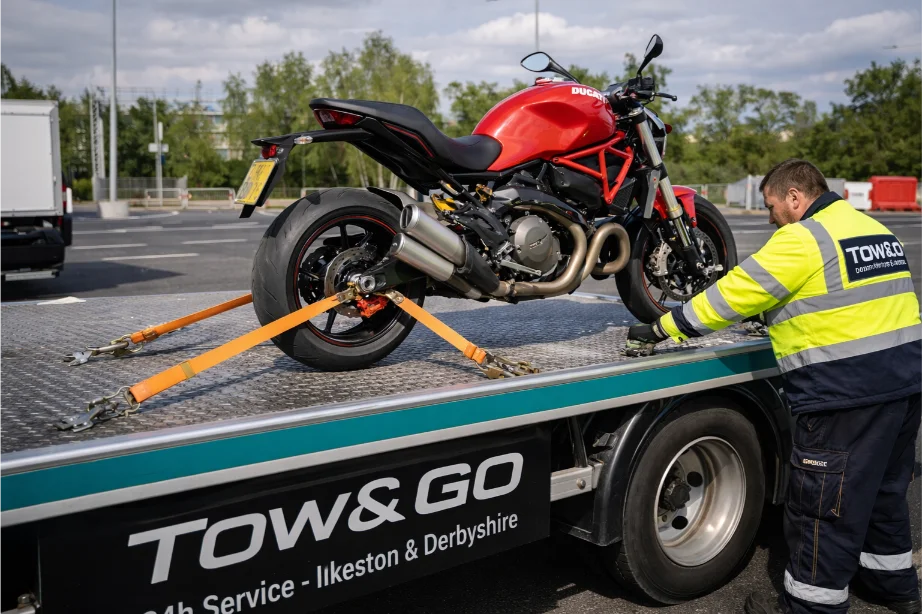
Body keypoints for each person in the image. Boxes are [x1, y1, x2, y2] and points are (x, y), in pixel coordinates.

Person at [625, 159, 922, 614]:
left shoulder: (803, 238)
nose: (769, 217)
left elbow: (734, 294)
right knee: (883, 492)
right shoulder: (873, 230)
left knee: (824, 510)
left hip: (843, 394)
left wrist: (664, 328)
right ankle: (893, 586)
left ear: (796, 197)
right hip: (904, 386)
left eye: (771, 206)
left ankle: (810, 608)